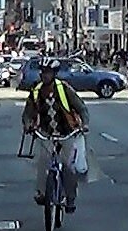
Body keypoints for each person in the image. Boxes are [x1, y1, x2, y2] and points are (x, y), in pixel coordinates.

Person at [21, 59, 89, 213]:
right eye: (43, 72)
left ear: (54, 74)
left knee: (68, 167)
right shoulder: (36, 91)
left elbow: (81, 108)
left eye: (48, 73)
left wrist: (84, 124)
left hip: (66, 132)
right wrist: (27, 124)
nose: (45, 76)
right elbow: (28, 112)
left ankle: (70, 198)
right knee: (42, 162)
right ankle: (42, 193)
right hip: (46, 133)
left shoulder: (64, 89)